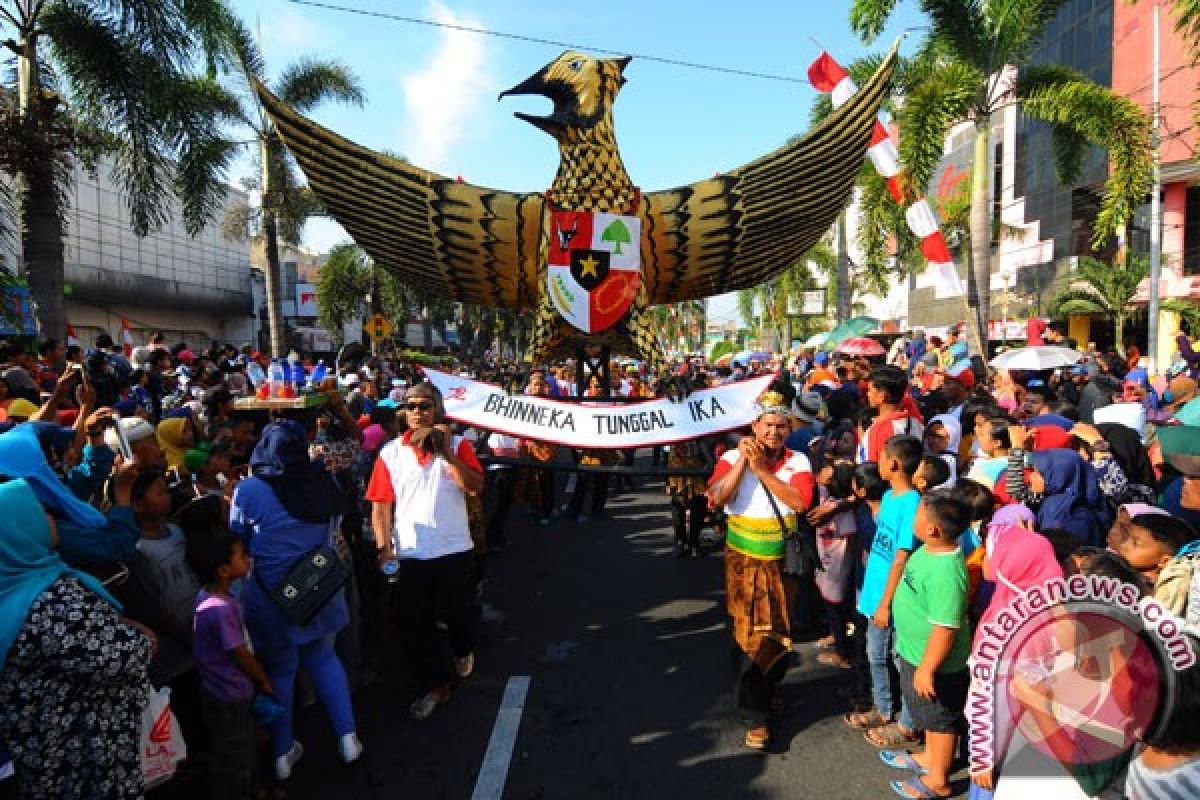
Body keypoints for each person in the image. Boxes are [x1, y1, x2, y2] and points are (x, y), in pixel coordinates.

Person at [0, 478, 154, 800]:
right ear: (19, 529)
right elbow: (119, 657)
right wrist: (142, 640)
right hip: (84, 759)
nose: (51, 517)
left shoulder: (18, 586)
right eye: (39, 512)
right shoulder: (48, 602)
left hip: (45, 753)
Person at [229, 419, 362, 780]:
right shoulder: (322, 481)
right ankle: (348, 737)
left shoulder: (249, 490)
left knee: (282, 670)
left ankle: (282, 753)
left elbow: (236, 536)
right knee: (323, 657)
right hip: (318, 586)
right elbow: (336, 524)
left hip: (270, 596)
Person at [366, 381, 485, 720]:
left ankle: (464, 649)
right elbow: (381, 506)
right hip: (412, 554)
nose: (418, 412)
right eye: (412, 406)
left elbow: (475, 488)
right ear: (404, 413)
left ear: (437, 410)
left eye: (425, 406)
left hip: (455, 550)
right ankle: (435, 684)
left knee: (459, 617)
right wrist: (383, 548)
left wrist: (446, 453)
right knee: (415, 625)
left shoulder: (460, 445)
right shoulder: (390, 453)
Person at [707, 390, 814, 750]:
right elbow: (717, 497)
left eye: (782, 426)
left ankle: (767, 691)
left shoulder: (798, 461)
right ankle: (755, 715)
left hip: (782, 563)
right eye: (768, 425)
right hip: (744, 563)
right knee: (749, 635)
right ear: (754, 426)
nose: (775, 432)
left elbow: (800, 502)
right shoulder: (732, 457)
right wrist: (742, 464)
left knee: (779, 631)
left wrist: (761, 471)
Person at [881, 490, 972, 799]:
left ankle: (939, 780)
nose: (914, 518)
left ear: (933, 529)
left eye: (918, 514)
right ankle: (931, 757)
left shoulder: (947, 572)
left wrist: (927, 669)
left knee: (941, 720)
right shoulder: (930, 548)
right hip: (916, 655)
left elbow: (946, 629)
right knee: (929, 717)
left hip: (935, 665)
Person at [186, 498, 275, 800]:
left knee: (235, 747)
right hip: (230, 693)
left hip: (217, 689)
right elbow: (239, 653)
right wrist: (262, 679)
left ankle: (255, 788)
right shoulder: (220, 608)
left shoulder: (206, 597)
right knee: (235, 753)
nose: (247, 558)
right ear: (224, 570)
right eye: (240, 556)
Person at [846, 435, 921, 749]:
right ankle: (884, 708)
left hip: (889, 598)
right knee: (875, 655)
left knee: (897, 659)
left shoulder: (912, 503)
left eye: (882, 456)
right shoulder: (889, 496)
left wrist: (885, 603)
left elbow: (901, 558)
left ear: (894, 464)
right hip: (874, 590)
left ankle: (907, 721)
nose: (878, 461)